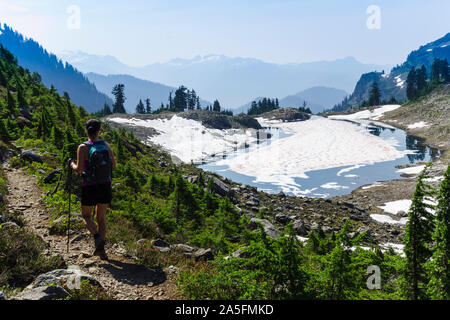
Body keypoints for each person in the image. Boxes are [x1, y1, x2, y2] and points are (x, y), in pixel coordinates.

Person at [70, 119, 116, 260]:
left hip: (89, 186)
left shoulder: (83, 147)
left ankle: (96, 237)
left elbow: (79, 170)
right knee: (101, 219)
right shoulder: (105, 145)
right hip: (105, 185)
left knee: (86, 216)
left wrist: (71, 164)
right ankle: (102, 251)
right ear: (98, 131)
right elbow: (113, 166)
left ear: (86, 130)